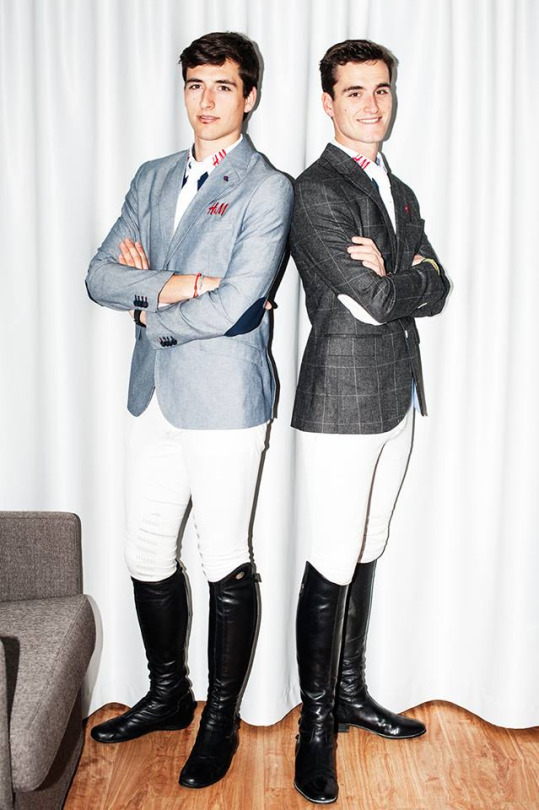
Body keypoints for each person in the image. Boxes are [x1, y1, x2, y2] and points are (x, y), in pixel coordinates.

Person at [85, 31, 293, 790]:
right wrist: (182, 285)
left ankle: (220, 720)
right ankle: (170, 694)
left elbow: (239, 304)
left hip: (226, 401)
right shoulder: (151, 176)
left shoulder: (268, 187)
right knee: (146, 553)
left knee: (223, 556)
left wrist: (150, 307)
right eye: (195, 85)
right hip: (155, 396)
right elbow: (99, 276)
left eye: (223, 86)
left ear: (250, 96)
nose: (206, 101)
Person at [290, 39, 450, 804]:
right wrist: (403, 277)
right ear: (327, 102)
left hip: (394, 395)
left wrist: (406, 276)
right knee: (331, 557)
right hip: (340, 400)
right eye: (353, 92)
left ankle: (350, 693)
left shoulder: (400, 189)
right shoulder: (315, 191)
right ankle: (314, 729)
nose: (370, 105)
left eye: (380, 90)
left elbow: (435, 284)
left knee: (368, 545)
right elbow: (379, 298)